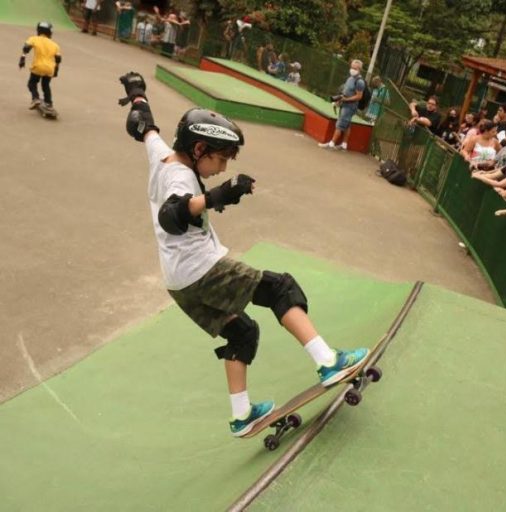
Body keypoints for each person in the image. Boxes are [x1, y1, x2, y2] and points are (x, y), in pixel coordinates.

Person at [117, 72, 370, 437]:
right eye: (221, 158)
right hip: (202, 270)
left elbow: (144, 126)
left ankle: (242, 415)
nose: (223, 167)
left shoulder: (162, 154)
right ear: (199, 149)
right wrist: (217, 195)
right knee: (280, 289)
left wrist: (137, 93)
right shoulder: (179, 179)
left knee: (242, 332)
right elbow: (171, 215)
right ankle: (329, 362)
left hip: (178, 282)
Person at [318, 59, 366, 151]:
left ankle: (331, 144)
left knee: (340, 124)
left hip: (350, 107)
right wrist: (339, 101)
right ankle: (344, 145)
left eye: (355, 68)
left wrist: (346, 99)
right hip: (345, 104)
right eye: (351, 67)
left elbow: (359, 96)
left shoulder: (360, 82)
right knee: (347, 125)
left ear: (359, 69)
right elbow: (345, 92)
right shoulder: (350, 78)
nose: (352, 70)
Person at [19, 21, 61, 113]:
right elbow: (58, 59)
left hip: (38, 67)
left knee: (32, 83)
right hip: (50, 68)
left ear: (39, 30)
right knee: (46, 85)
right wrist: (56, 70)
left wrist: (22, 58)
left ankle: (35, 98)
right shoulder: (55, 44)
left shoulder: (34, 39)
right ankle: (49, 103)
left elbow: (26, 48)